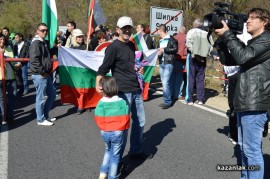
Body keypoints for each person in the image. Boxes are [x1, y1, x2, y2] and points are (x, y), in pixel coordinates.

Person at [215, 8, 270, 179]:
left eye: (253, 18)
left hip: (255, 101)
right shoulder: (256, 42)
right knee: (244, 148)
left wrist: (229, 35)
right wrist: (223, 42)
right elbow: (231, 59)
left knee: (252, 150)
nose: (248, 21)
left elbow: (242, 57)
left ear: (265, 22)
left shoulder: (267, 40)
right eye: (247, 18)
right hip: (245, 100)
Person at [96, 16, 153, 160]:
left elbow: (131, 64)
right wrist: (98, 84)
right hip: (122, 91)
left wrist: (138, 70)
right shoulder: (113, 47)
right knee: (122, 126)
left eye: (129, 28)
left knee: (140, 122)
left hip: (136, 90)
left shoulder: (131, 45)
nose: (127, 30)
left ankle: (136, 151)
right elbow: (103, 68)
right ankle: (117, 159)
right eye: (124, 28)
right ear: (118, 30)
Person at [94, 76, 130, 179]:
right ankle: (112, 177)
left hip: (105, 132)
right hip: (118, 132)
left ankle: (103, 173)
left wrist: (103, 128)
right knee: (115, 157)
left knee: (107, 150)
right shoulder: (122, 102)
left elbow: (98, 118)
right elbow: (126, 118)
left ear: (103, 88)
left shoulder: (101, 103)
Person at [29, 23, 56, 126]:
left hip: (45, 74)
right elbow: (34, 60)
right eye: (42, 30)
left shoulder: (42, 42)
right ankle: (40, 120)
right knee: (40, 98)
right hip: (40, 74)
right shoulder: (36, 43)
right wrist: (43, 72)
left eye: (46, 30)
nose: (45, 32)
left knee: (52, 95)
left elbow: (45, 56)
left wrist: (55, 48)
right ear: (37, 31)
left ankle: (45, 115)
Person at [185, 19, 213, 105]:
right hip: (203, 58)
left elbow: (188, 43)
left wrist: (194, 52)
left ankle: (190, 99)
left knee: (191, 78)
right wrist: (206, 54)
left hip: (193, 57)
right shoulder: (208, 34)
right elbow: (211, 46)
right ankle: (200, 99)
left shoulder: (192, 31)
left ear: (196, 25)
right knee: (200, 79)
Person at [157, 24, 178, 109]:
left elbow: (175, 49)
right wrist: (159, 54)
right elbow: (160, 52)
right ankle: (169, 98)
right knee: (165, 82)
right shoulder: (160, 41)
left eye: (158, 30)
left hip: (169, 62)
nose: (157, 32)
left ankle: (167, 102)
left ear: (161, 30)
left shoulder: (172, 39)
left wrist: (164, 50)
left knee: (165, 82)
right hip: (162, 63)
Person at [0, 34, 20, 125]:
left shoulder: (9, 48)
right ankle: (4, 116)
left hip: (11, 77)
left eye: (3, 39)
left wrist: (17, 64)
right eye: (0, 39)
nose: (2, 41)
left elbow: (13, 61)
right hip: (1, 78)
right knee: (1, 98)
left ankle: (10, 115)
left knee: (13, 96)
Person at [172, 26, 187, 100]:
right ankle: (178, 94)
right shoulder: (186, 37)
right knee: (180, 78)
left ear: (179, 30)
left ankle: (172, 93)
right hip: (182, 59)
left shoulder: (174, 37)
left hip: (173, 59)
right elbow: (186, 50)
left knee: (173, 77)